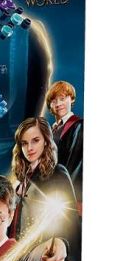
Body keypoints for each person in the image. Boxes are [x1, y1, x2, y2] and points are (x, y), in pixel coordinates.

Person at [10, 117, 81, 261]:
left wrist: (63, 245)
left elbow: (70, 220)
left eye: (35, 140)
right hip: (21, 258)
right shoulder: (21, 178)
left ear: (46, 141)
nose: (30, 148)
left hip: (46, 257)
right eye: (24, 143)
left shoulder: (58, 173)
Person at [45, 81, 83, 211]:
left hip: (65, 195)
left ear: (71, 99)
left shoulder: (78, 126)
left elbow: (75, 163)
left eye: (62, 99)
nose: (58, 104)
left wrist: (69, 197)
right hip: (49, 191)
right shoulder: (52, 130)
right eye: (54, 101)